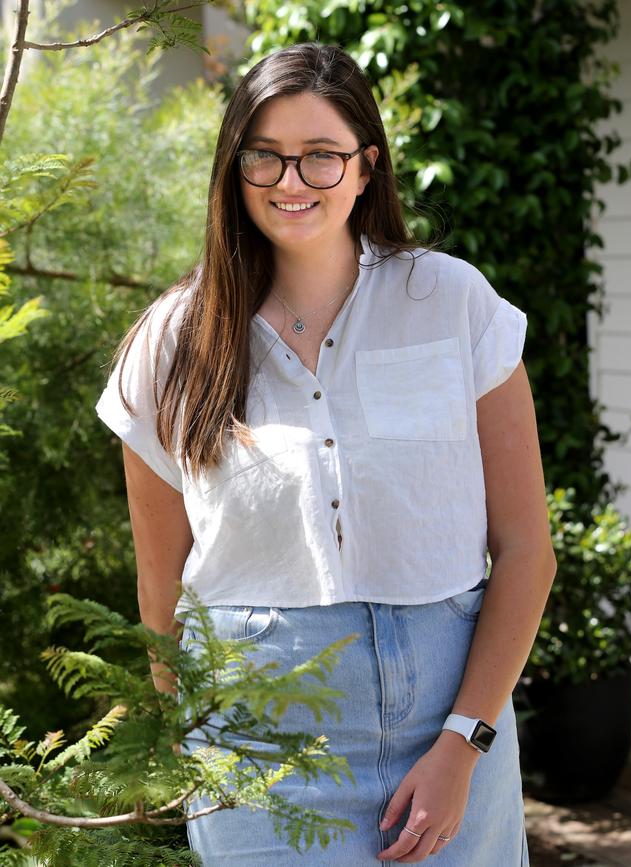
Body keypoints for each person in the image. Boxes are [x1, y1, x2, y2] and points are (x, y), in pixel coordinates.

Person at [95, 41, 556, 866]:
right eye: (264, 156)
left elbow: (526, 549)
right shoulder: (171, 343)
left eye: (319, 156)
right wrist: (182, 745)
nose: (289, 181)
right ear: (233, 167)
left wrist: (465, 741)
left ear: (367, 166)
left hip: (452, 715)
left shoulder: (455, 304)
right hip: (252, 739)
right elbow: (158, 583)